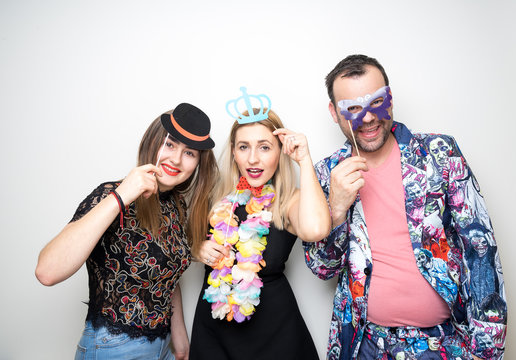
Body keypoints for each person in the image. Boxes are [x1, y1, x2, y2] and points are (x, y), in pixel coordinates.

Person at [303, 55, 506, 360]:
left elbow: (480, 249)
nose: (368, 118)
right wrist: (337, 209)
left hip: (445, 343)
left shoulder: (440, 153)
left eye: (376, 103)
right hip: (365, 344)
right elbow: (323, 268)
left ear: (390, 98)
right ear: (334, 112)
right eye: (353, 108)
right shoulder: (325, 174)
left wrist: (486, 350)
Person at [35, 103, 218, 360]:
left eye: (189, 153)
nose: (176, 159)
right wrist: (120, 196)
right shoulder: (110, 194)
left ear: (198, 163)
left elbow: (166, 277)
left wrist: (181, 344)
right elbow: (47, 272)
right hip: (113, 348)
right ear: (153, 141)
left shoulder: (177, 204)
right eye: (170, 144)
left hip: (162, 347)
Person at [189, 100, 331, 359]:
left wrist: (304, 160)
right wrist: (198, 248)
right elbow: (181, 243)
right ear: (233, 151)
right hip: (214, 334)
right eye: (244, 147)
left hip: (275, 336)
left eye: (264, 147)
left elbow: (316, 229)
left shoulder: (290, 199)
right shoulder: (215, 198)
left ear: (281, 151)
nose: (253, 158)